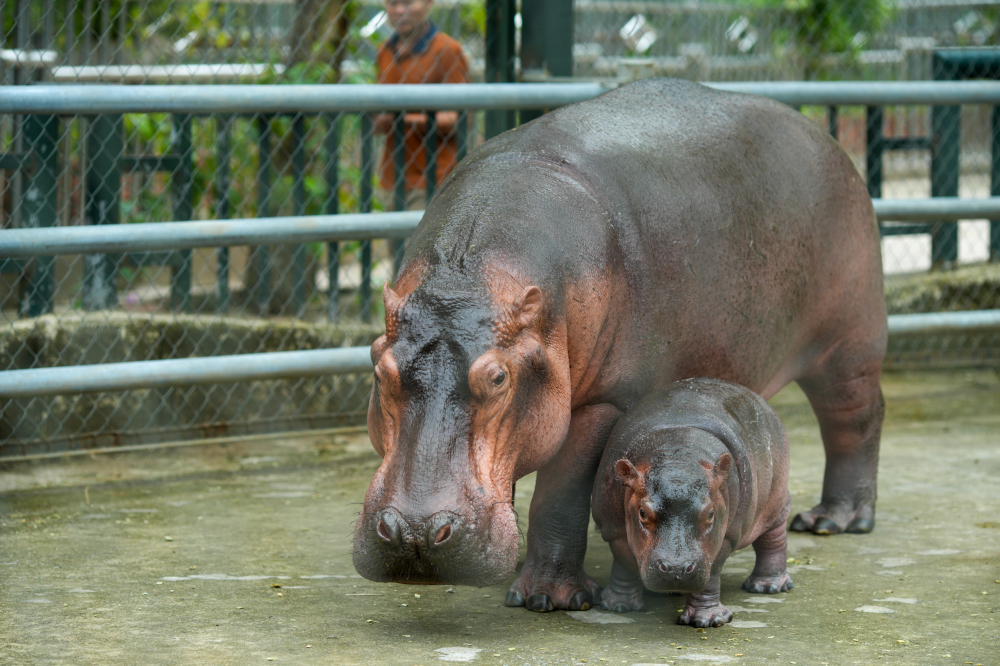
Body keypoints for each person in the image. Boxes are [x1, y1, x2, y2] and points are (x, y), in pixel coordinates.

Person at [374, 0, 469, 212]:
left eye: (407, 3)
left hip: (434, 179)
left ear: (428, 4)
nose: (399, 10)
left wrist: (402, 119)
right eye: (392, 3)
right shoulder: (384, 51)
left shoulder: (447, 50)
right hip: (393, 177)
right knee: (394, 244)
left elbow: (459, 119)